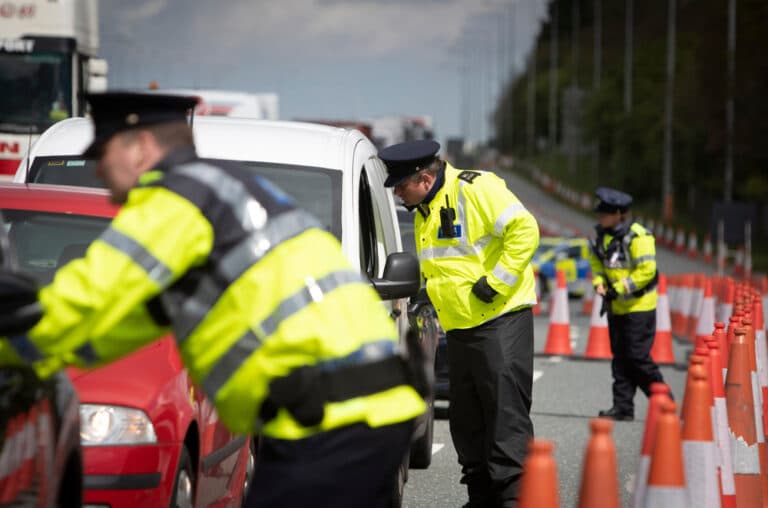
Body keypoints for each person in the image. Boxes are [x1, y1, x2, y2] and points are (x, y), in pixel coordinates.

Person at [0, 92, 427, 507]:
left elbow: (88, 299)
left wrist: (12, 332)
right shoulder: (226, 188)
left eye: (103, 155)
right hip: (366, 410)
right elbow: (120, 325)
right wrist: (40, 356)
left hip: (329, 422)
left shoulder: (173, 201)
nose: (98, 171)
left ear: (139, 148)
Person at [380, 139, 539, 508]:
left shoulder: (475, 187)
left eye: (402, 186)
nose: (399, 195)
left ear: (423, 178)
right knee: (467, 424)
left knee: (504, 420)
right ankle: (481, 499)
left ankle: (514, 500)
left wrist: (496, 281)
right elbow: (447, 262)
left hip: (500, 321)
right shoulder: (426, 208)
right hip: (462, 327)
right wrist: (425, 293)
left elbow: (525, 230)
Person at [589, 186, 666, 422]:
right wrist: (599, 283)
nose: (600, 217)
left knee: (637, 357)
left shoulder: (639, 236)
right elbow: (597, 266)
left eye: (605, 214)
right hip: (616, 307)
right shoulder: (600, 236)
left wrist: (618, 288)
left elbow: (647, 271)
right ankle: (623, 407)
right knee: (620, 358)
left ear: (620, 213)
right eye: (599, 214)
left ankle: (664, 402)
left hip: (639, 307)